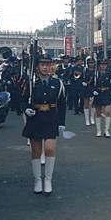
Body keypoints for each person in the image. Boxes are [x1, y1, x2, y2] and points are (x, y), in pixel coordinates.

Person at [21, 54, 66, 195]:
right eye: (43, 64)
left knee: (50, 149)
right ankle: (37, 180)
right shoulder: (31, 83)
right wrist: (25, 109)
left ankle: (48, 180)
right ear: (37, 67)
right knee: (36, 151)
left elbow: (62, 103)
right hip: (35, 118)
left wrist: (62, 122)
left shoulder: (58, 83)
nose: (46, 67)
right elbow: (21, 99)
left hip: (51, 118)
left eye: (48, 64)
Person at [93, 58, 111, 138]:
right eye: (102, 65)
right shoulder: (96, 74)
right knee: (98, 113)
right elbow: (92, 84)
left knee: (108, 112)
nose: (103, 66)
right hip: (98, 94)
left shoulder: (110, 74)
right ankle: (99, 130)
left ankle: (106, 130)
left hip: (106, 93)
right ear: (99, 66)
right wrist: (93, 91)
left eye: (105, 65)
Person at [82, 57, 96, 126]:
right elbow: (80, 78)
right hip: (86, 88)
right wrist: (82, 82)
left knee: (93, 104)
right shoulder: (84, 70)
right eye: (90, 63)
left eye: (92, 63)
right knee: (86, 103)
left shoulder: (96, 71)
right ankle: (87, 120)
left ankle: (92, 118)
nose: (91, 64)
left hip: (93, 88)